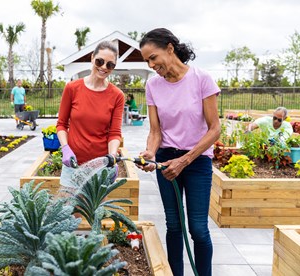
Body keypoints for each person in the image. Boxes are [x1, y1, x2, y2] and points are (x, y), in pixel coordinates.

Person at [138, 28, 221, 276]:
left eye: (153, 57)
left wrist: (184, 161)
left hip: (195, 162)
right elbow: (155, 131)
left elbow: (215, 129)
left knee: (197, 228)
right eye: (147, 61)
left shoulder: (201, 79)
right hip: (166, 162)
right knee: (174, 226)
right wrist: (150, 154)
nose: (151, 65)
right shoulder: (152, 85)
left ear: (170, 48)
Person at [56, 41, 124, 185]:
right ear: (92, 58)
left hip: (100, 166)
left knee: (96, 208)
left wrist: (112, 157)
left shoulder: (117, 95)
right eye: (100, 61)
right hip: (72, 165)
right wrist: (65, 148)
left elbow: (114, 133)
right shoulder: (72, 88)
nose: (104, 67)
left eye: (110, 65)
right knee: (68, 207)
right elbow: (61, 124)